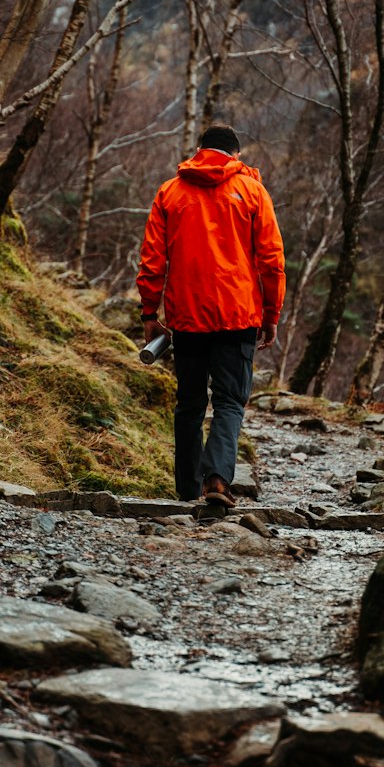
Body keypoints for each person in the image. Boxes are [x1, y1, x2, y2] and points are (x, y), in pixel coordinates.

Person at [137, 123, 286, 507]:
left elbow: (152, 259)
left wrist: (149, 311)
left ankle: (187, 490)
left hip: (186, 315)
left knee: (188, 403)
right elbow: (271, 260)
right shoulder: (252, 191)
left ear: (198, 149)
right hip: (238, 315)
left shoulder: (170, 192)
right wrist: (271, 313)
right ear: (236, 156)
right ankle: (217, 480)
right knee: (230, 402)